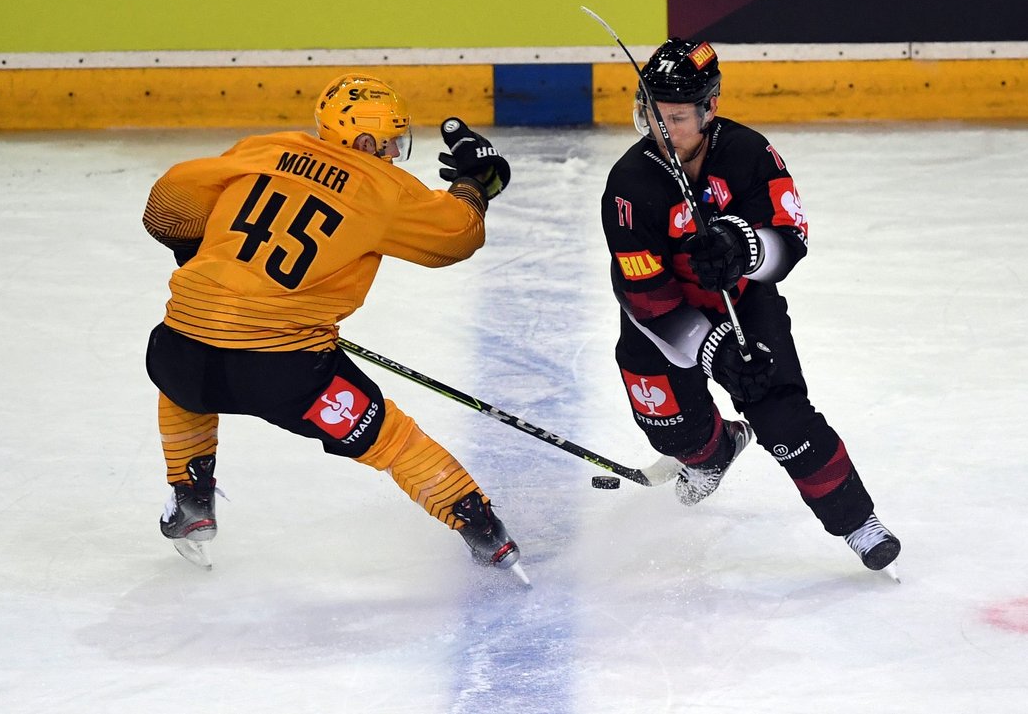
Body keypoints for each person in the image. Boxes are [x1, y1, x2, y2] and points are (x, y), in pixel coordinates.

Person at [142, 73, 527, 582]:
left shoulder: (264, 149)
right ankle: (487, 535)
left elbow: (166, 205)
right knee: (391, 440)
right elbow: (457, 238)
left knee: (185, 383)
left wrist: (208, 255)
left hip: (176, 353)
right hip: (285, 376)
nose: (392, 154)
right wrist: (475, 185)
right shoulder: (384, 188)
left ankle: (192, 500)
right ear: (364, 141)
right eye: (389, 142)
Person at [599, 38, 900, 574]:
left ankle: (857, 521)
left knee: (782, 414)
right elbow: (648, 297)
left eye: (676, 118)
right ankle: (714, 452)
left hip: (744, 302)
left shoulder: (749, 154)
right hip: (658, 326)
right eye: (652, 115)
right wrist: (714, 350)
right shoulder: (629, 186)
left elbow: (792, 237)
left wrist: (745, 247)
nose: (662, 131)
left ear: (709, 109)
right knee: (674, 434)